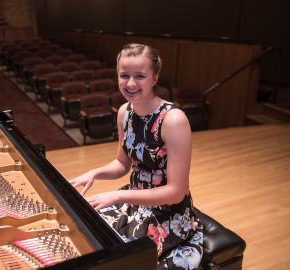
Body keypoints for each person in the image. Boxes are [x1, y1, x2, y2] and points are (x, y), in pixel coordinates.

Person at [70, 43, 203, 269]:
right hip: (134, 200)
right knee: (86, 234)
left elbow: (176, 192)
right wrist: (95, 173)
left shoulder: (173, 120)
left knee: (125, 260)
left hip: (168, 211)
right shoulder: (125, 112)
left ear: (154, 78)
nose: (130, 84)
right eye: (124, 76)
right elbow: (122, 164)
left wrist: (118, 197)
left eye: (140, 76)